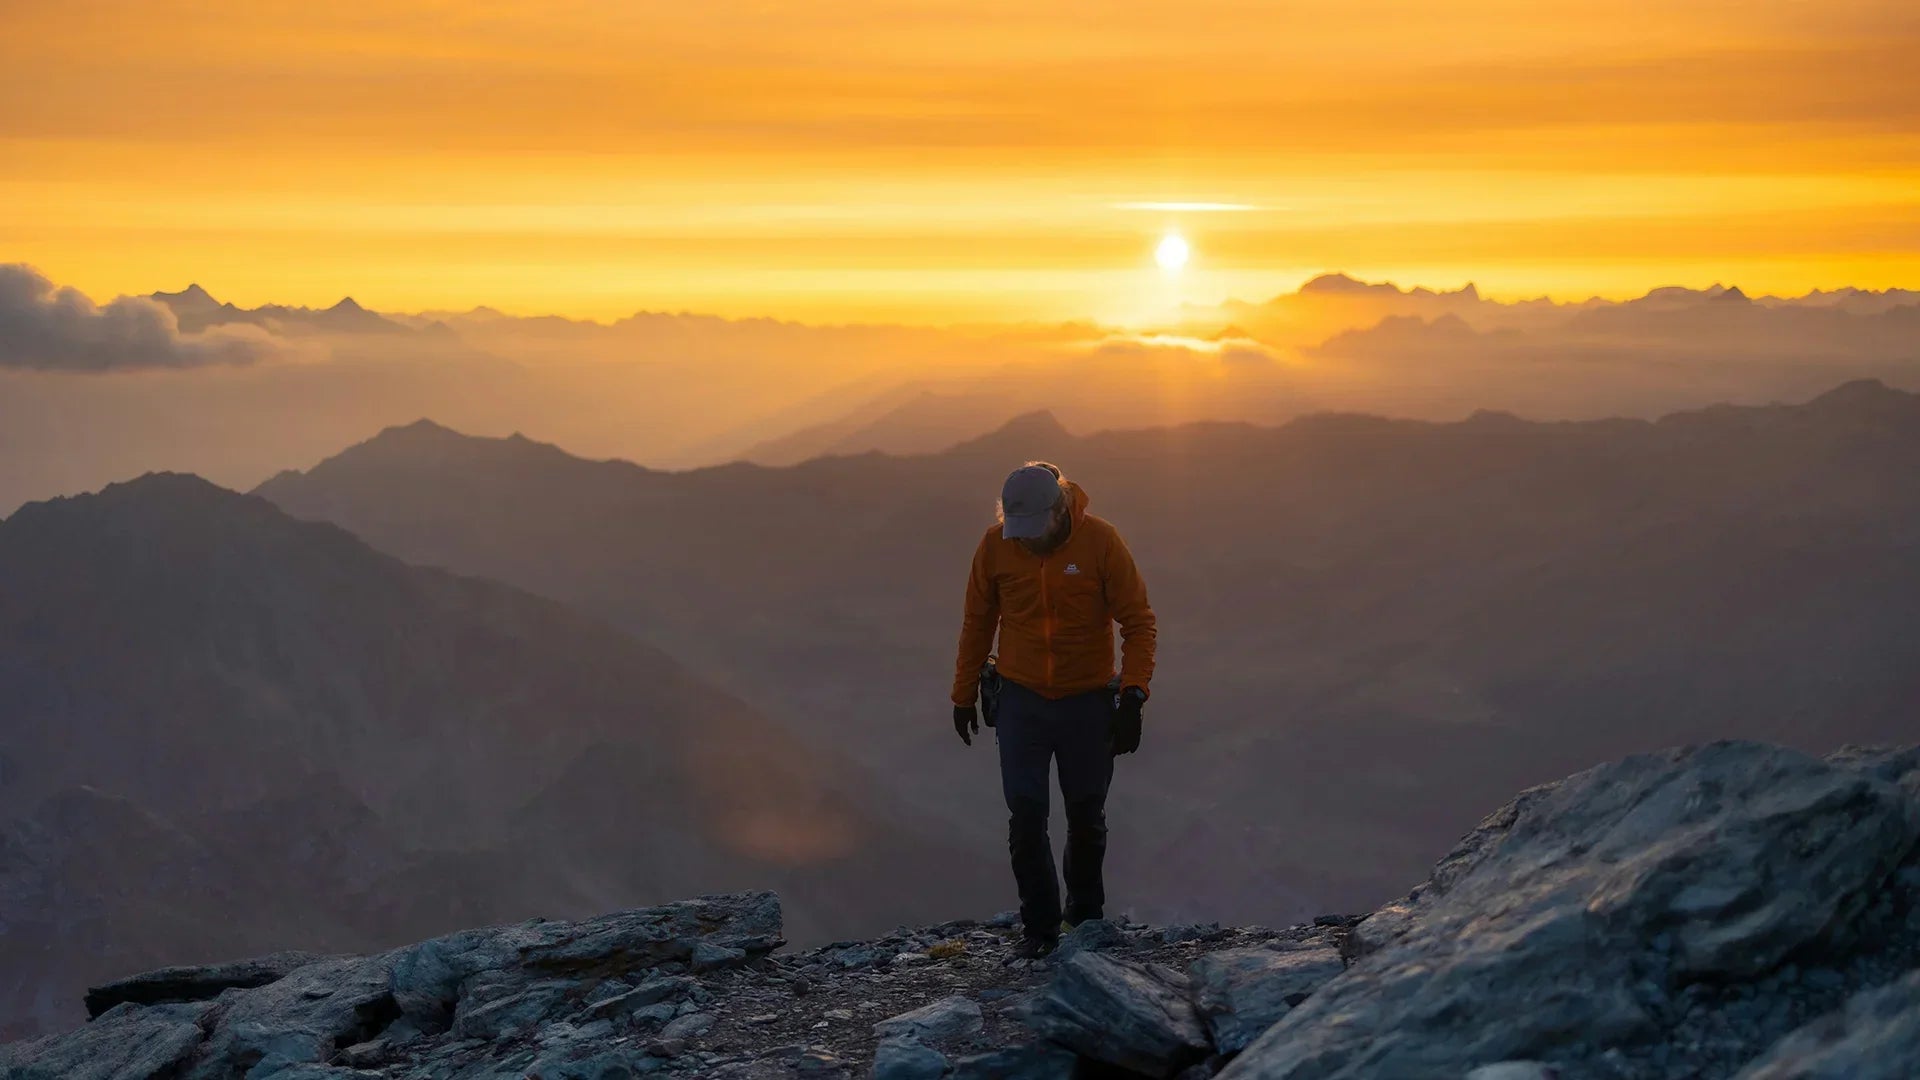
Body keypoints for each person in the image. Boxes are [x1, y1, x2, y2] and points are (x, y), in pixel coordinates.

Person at [951, 461, 1157, 958]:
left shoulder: (1102, 542)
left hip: (1086, 699)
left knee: (1086, 813)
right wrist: (962, 694)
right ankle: (1038, 930)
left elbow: (1138, 621)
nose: (1023, 541)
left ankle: (1082, 920)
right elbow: (977, 621)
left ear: (1060, 509)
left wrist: (1133, 693)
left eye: (1032, 530)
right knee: (1025, 815)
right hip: (1021, 698)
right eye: (1015, 531)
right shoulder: (996, 544)